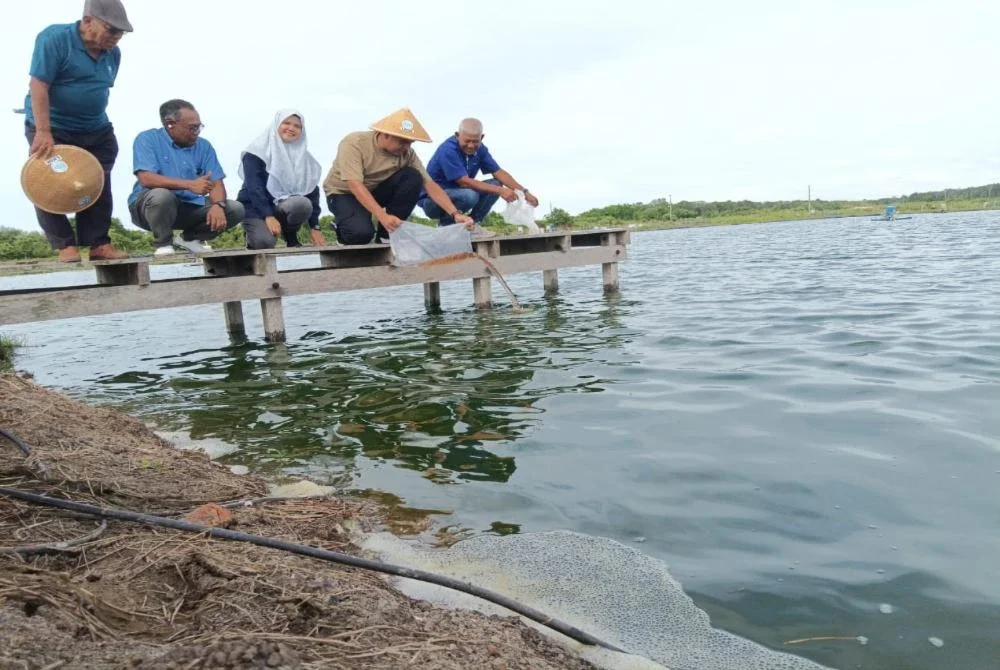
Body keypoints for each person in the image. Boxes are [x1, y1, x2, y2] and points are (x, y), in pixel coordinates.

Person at [22, 0, 133, 263]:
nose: (116, 38)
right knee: (46, 180)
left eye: (121, 33)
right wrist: (43, 130)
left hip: (94, 127)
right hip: (53, 125)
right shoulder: (55, 39)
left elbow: (98, 89)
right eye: (111, 30)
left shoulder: (113, 54)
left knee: (96, 180)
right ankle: (64, 245)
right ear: (87, 21)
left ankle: (98, 244)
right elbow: (38, 85)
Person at [322, 108, 473, 245]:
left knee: (413, 177)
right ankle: (341, 226)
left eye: (410, 143)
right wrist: (382, 215)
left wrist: (455, 214)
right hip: (344, 193)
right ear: (385, 134)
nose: (407, 148)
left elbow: (429, 184)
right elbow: (354, 184)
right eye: (403, 142)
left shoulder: (407, 154)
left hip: (375, 190)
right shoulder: (354, 143)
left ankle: (386, 235)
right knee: (360, 235)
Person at [127, 99, 244, 256]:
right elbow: (146, 178)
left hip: (190, 207)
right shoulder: (147, 139)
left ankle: (191, 239)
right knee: (161, 195)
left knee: (235, 209)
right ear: (170, 124)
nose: (197, 132)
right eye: (192, 127)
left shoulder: (204, 146)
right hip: (150, 209)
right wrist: (189, 185)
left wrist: (218, 205)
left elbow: (216, 181)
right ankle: (163, 244)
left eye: (199, 126)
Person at [418, 117, 539, 229]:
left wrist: (524, 192)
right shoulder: (448, 149)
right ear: (457, 135)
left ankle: (473, 224)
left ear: (481, 138)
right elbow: (463, 182)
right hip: (433, 202)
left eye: (475, 141)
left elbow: (498, 172)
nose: (471, 146)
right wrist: (501, 191)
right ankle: (445, 225)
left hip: (461, 195)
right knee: (470, 195)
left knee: (496, 183)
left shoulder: (481, 150)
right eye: (467, 141)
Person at [238, 110, 325, 249]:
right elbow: (254, 188)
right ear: (276, 124)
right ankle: (251, 235)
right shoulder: (257, 152)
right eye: (286, 123)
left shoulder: (304, 158)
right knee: (264, 243)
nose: (291, 128)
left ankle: (290, 234)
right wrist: (268, 216)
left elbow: (311, 191)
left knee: (302, 204)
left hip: (282, 207)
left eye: (297, 126)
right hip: (255, 208)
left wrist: (315, 226)